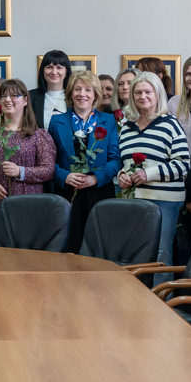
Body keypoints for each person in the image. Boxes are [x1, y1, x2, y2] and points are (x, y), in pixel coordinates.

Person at [116, 72, 190, 275]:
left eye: (148, 91)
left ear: (158, 94)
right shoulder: (126, 127)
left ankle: (163, 302)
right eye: (138, 92)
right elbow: (126, 162)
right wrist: (122, 175)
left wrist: (150, 174)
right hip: (134, 200)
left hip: (164, 201)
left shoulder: (170, 124)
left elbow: (183, 165)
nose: (143, 96)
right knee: (134, 253)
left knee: (160, 254)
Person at [0, 79, 55, 245]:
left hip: (26, 202)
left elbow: (48, 170)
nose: (8, 99)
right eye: (4, 96)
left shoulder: (38, 135)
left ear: (25, 100)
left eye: (14, 95)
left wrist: (21, 171)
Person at [49, 70, 121, 253]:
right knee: (68, 247)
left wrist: (96, 178)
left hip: (99, 192)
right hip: (67, 193)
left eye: (88, 90)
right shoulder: (57, 121)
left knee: (99, 247)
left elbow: (115, 159)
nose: (82, 94)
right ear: (70, 93)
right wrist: (65, 176)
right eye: (77, 89)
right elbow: (49, 161)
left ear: (95, 94)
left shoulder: (110, 121)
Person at [29, 50, 71, 128]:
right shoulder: (29, 97)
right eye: (49, 67)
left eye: (59, 67)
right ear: (42, 70)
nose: (54, 72)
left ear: (66, 71)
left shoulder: (74, 97)